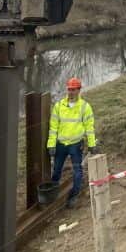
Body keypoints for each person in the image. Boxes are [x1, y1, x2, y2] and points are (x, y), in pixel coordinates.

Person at [47, 77, 98, 208]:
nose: (70, 92)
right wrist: (51, 144)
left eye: (73, 90)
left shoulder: (85, 107)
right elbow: (53, 128)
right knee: (56, 170)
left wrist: (92, 144)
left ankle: (74, 196)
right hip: (61, 144)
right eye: (69, 89)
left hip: (76, 144)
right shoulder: (59, 106)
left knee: (77, 171)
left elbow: (89, 128)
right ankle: (53, 195)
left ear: (79, 90)